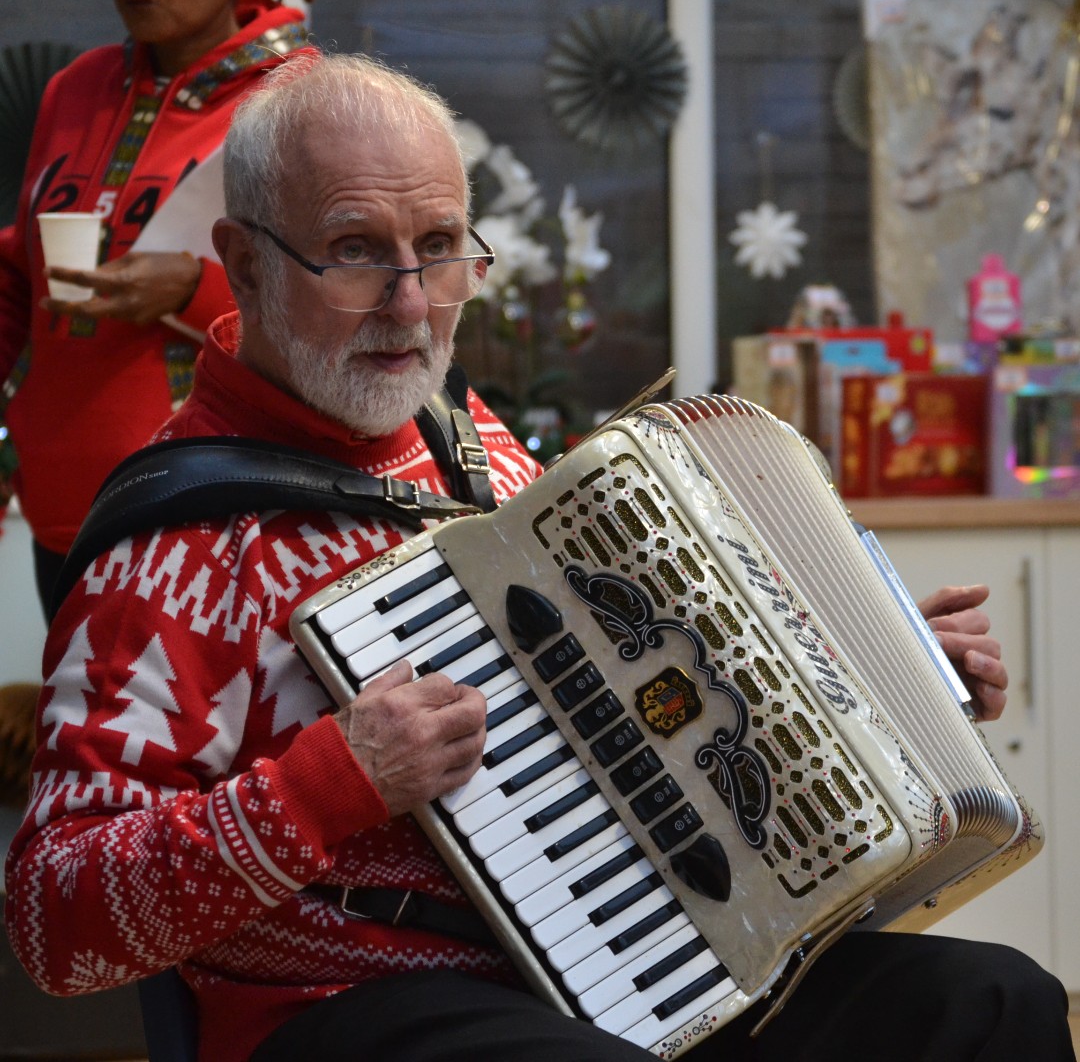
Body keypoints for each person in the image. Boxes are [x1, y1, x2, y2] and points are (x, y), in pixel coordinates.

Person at [4, 52, 1073, 1062]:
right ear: (243, 261)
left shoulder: (486, 453)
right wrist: (333, 783)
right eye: (358, 251)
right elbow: (57, 924)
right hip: (349, 1004)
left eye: (439, 246)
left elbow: (669, 678)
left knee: (993, 1005)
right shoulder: (167, 551)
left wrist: (883, 669)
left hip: (627, 957)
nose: (413, 303)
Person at [0, 0, 313, 616]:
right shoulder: (77, 88)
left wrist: (192, 290)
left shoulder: (298, 97)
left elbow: (330, 295)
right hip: (58, 498)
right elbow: (18, 276)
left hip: (203, 511)